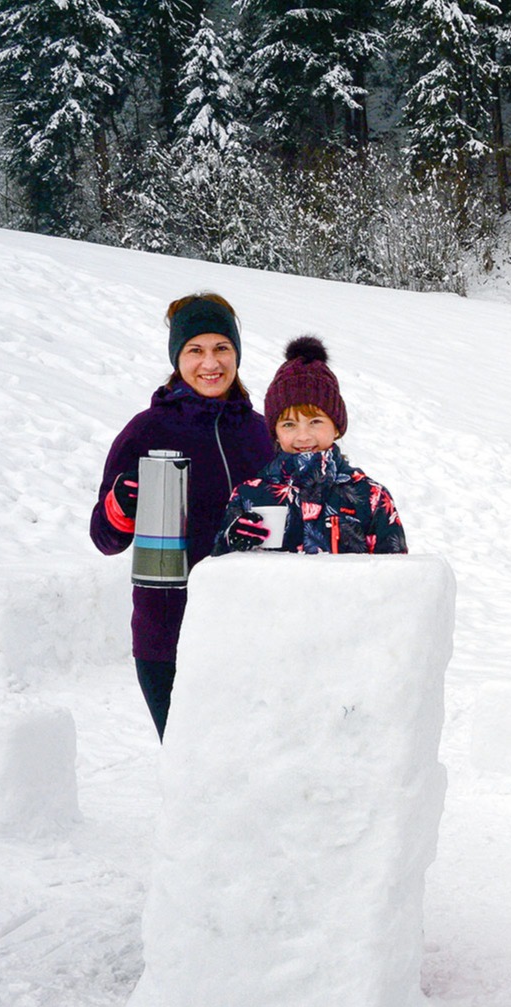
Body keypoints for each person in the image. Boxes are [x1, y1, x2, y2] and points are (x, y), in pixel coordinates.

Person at [91, 293, 275, 738]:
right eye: (195, 350)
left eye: (221, 349)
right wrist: (124, 503)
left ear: (236, 354)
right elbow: (105, 538)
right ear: (178, 358)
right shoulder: (147, 430)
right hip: (167, 637)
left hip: (253, 633)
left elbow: (288, 519)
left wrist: (268, 531)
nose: (210, 363)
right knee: (191, 771)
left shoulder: (261, 433)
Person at [213, 336, 407, 557]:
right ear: (275, 431)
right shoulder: (249, 494)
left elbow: (396, 578)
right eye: (289, 424)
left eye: (315, 422)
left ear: (336, 426)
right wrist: (232, 543)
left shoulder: (371, 497)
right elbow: (221, 576)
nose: (303, 436)